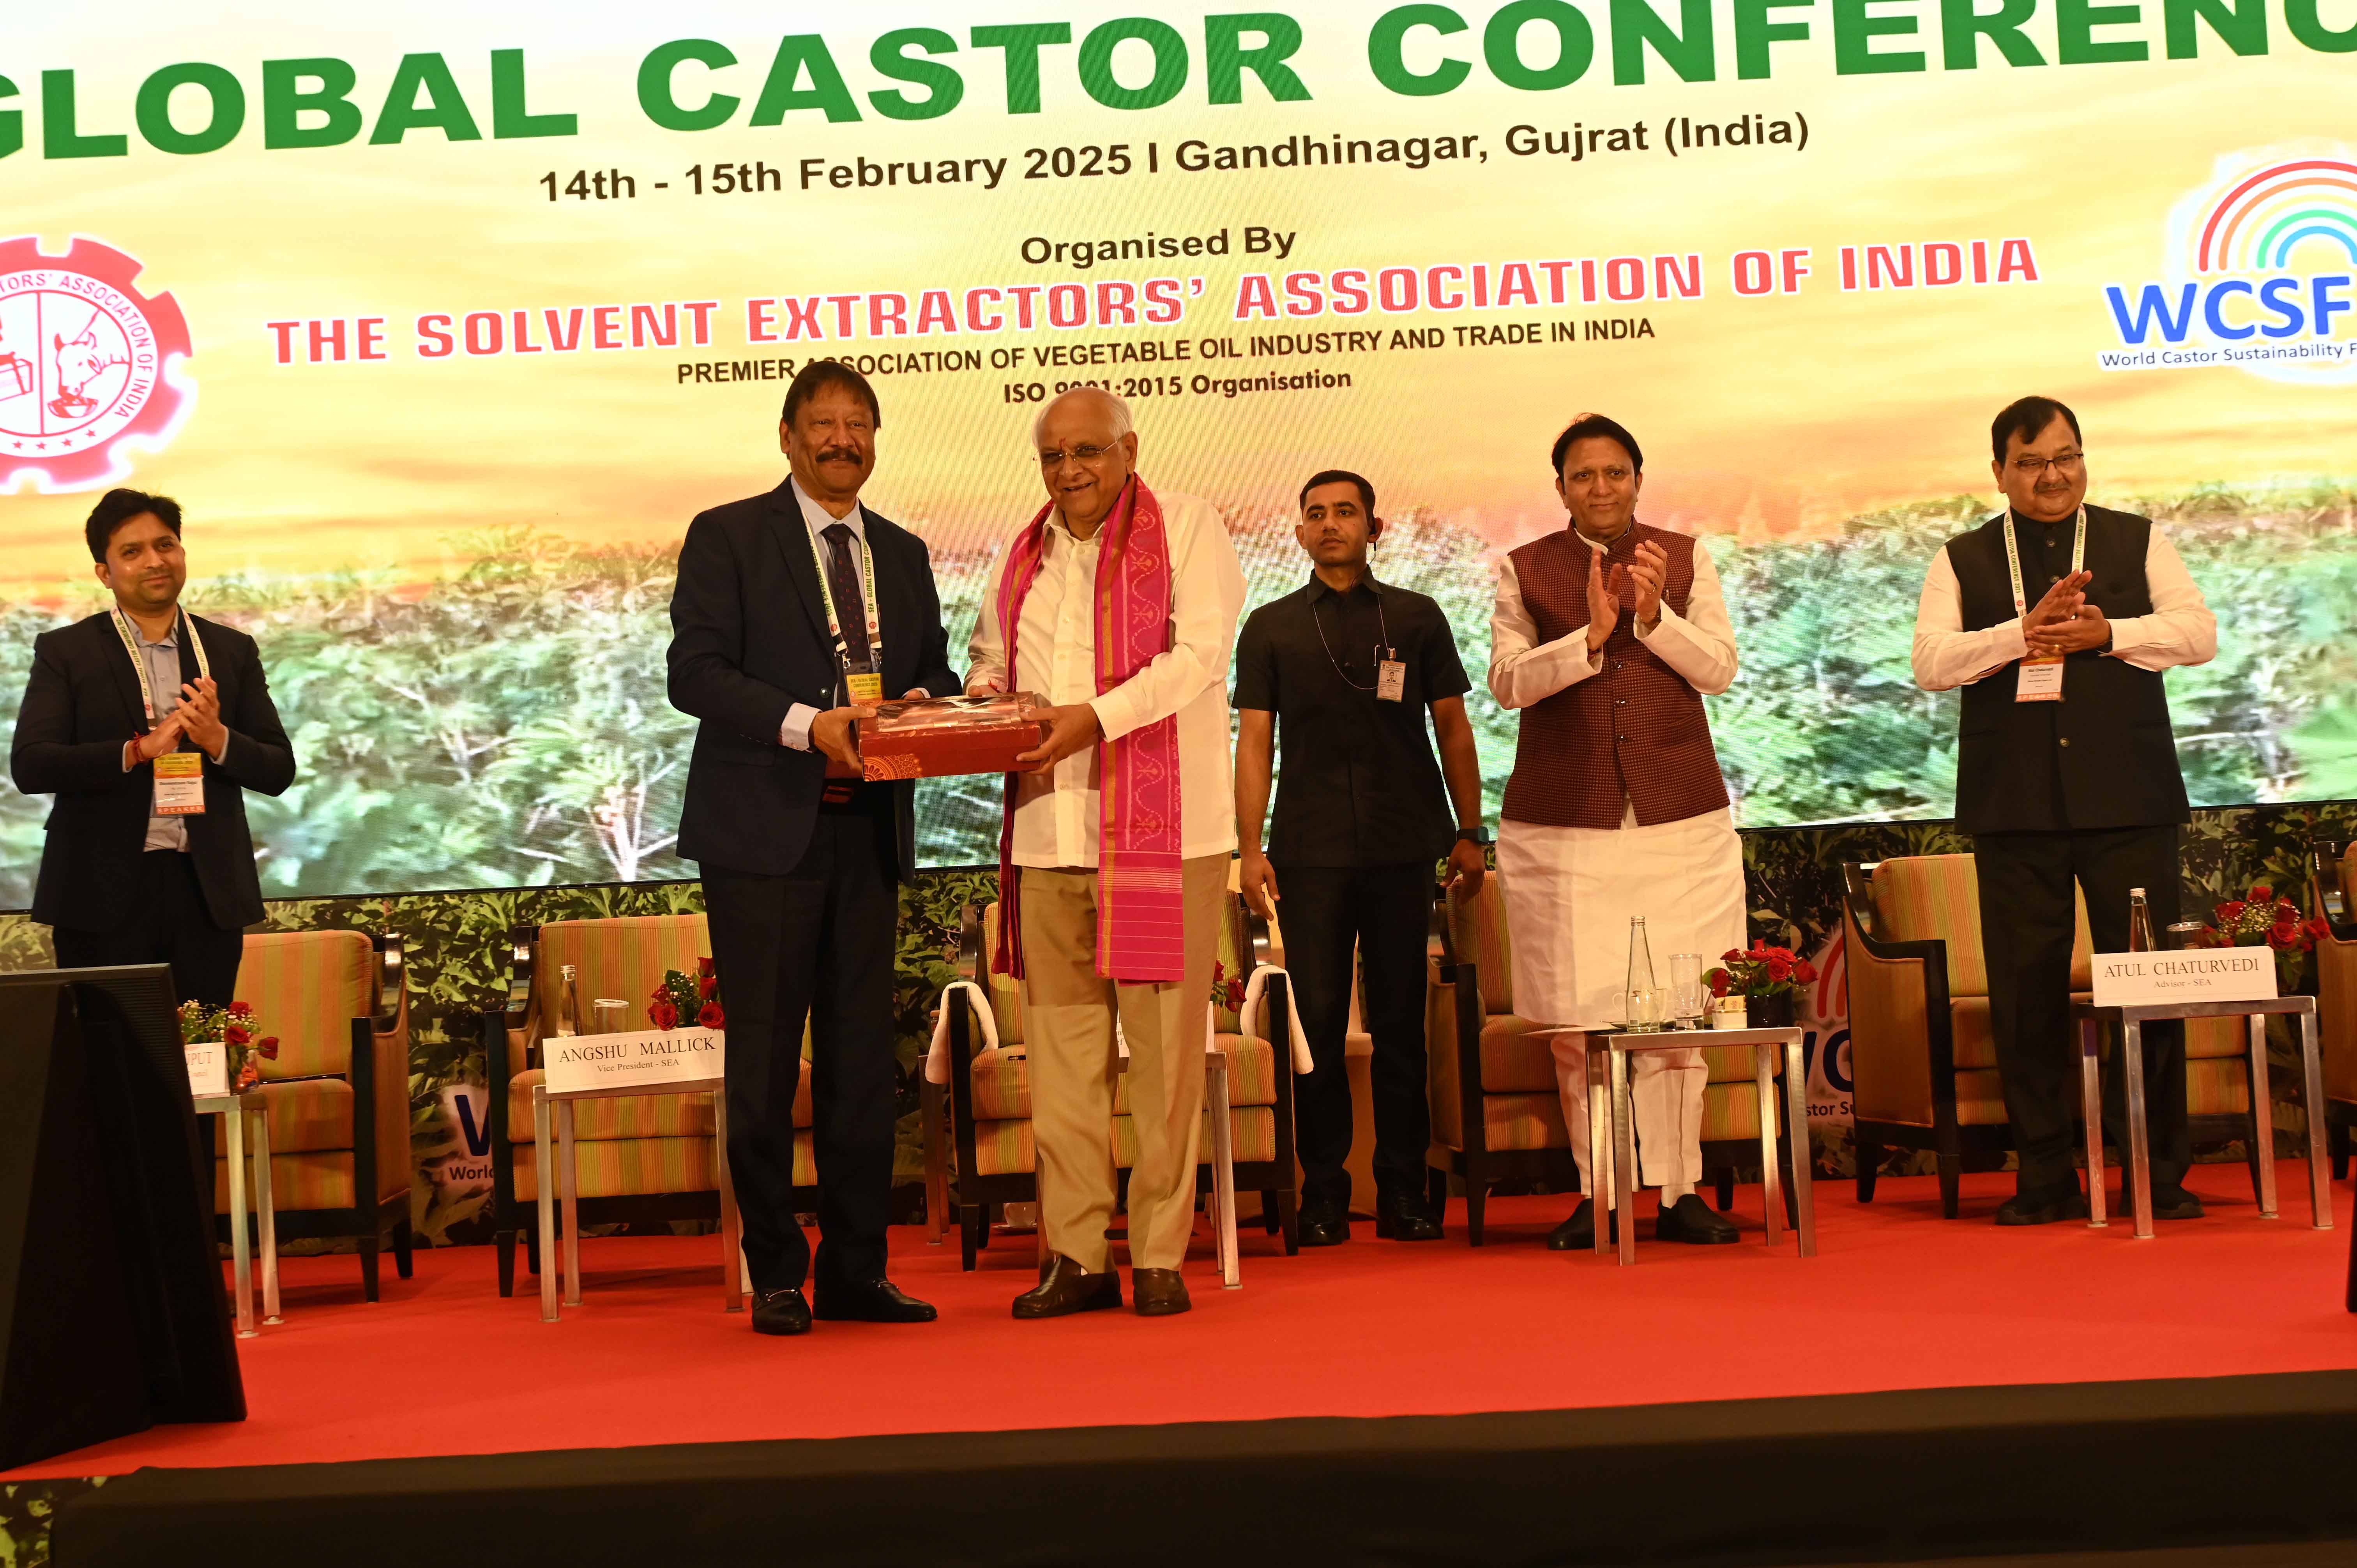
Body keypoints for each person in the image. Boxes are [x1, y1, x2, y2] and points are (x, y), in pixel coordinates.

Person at [668, 361, 958, 1334]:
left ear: (876, 438)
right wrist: (808, 724)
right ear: (788, 437)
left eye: (859, 423)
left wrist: (927, 704)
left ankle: (856, 1271)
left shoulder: (903, 553)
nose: (843, 440)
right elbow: (695, 672)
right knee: (762, 1064)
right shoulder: (729, 535)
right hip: (763, 837)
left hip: (867, 831)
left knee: (860, 1061)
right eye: (824, 424)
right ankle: (777, 1272)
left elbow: (931, 672)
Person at [966, 387, 1246, 1319]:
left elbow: (1198, 657)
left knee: (1164, 1057)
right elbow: (990, 659)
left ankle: (1160, 1250)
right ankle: (1077, 1254)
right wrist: (982, 703)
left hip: (1166, 839)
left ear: (1129, 449)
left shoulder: (1189, 527)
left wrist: (1092, 719)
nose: (1070, 470)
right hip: (1051, 835)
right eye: (1054, 456)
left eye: (1087, 450)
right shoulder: (1024, 555)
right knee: (1061, 1057)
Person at [1911, 396, 2217, 1224]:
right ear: (1999, 472)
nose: (2053, 476)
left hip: (2130, 801)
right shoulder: (1963, 557)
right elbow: (1932, 662)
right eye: (2032, 462)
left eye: (2066, 457)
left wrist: (2107, 633)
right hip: (2015, 808)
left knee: (2147, 988)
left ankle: (2156, 1170)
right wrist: (2023, 633)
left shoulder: (2137, 538)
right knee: (2026, 997)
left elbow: (2198, 634)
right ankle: (2045, 1176)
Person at [1489, 414, 1745, 1249]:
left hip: (1679, 818)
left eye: (1615, 472)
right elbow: (1507, 682)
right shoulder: (1525, 566)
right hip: (1565, 824)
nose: (1601, 488)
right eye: (1583, 475)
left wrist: (1654, 615)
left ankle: (1678, 1192)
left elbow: (1720, 669)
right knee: (1580, 1021)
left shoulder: (1685, 556)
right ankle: (1598, 1191)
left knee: (1680, 1015)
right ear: (1561, 487)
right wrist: (1590, 637)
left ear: (1638, 477)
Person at [1233, 469, 1487, 1246]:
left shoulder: (1416, 616)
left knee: (1401, 1022)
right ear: (1299, 533)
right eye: (1316, 514)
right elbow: (1254, 743)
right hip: (1307, 851)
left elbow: (1453, 726)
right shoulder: (1270, 626)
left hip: (1402, 842)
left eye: (1346, 511)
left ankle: (1405, 1191)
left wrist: (1470, 829)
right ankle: (1324, 1193)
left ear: (1375, 528)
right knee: (1314, 1023)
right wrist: (1249, 847)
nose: (1331, 523)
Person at [11, 489, 295, 1011]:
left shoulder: (230, 650)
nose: (155, 561)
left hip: (206, 893)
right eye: (132, 551)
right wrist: (139, 751)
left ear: (182, 552)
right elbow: (31, 764)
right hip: (99, 893)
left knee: (202, 1048)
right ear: (105, 572)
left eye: (165, 545)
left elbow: (279, 769)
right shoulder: (67, 651)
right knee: (110, 1048)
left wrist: (217, 739)